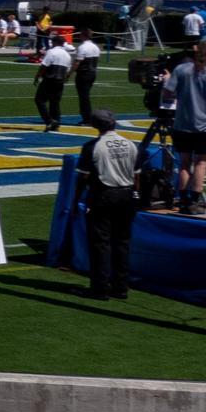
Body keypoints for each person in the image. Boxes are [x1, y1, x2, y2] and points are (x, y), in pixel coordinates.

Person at [80, 110, 140, 300]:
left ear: (94, 125)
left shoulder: (93, 146)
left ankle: (100, 288)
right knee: (122, 242)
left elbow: (84, 176)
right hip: (127, 194)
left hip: (104, 195)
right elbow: (136, 174)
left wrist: (79, 200)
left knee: (101, 244)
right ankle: (121, 287)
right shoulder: (130, 144)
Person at [163, 41, 206, 215]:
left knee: (184, 163)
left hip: (182, 122)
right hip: (204, 125)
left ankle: (183, 200)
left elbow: (168, 92)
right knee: (201, 162)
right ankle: (194, 201)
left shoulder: (181, 70)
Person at [35, 36, 73, 131]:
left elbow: (44, 65)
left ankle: (49, 121)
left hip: (49, 79)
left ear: (55, 42)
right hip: (60, 80)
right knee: (55, 102)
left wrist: (37, 77)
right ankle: (56, 122)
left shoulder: (51, 52)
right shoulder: (67, 55)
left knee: (39, 100)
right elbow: (68, 70)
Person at [72, 30, 102, 113]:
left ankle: (86, 116)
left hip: (84, 73)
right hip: (93, 73)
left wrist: (69, 74)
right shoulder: (95, 47)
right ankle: (84, 112)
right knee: (85, 95)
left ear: (83, 35)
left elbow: (77, 62)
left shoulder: (82, 47)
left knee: (84, 96)